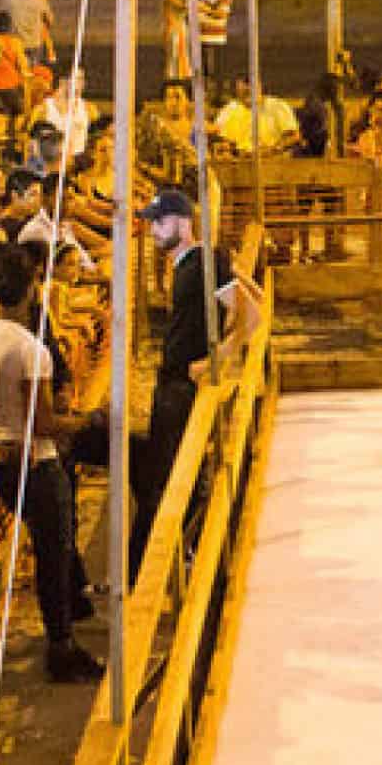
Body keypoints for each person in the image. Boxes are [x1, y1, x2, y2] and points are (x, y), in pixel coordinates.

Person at [0, 246, 101, 682]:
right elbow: (42, 423)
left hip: (1, 461)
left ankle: (70, 615)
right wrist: (82, 421)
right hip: (36, 462)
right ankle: (60, 645)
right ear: (29, 287)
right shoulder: (29, 349)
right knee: (52, 553)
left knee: (51, 548)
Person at [131, 191, 263, 573]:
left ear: (184, 223)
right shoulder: (193, 263)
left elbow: (251, 316)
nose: (154, 230)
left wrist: (214, 359)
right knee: (168, 468)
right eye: (152, 222)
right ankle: (175, 554)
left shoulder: (203, 262)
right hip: (172, 378)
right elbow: (253, 297)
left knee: (172, 473)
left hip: (181, 383)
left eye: (161, 221)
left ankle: (173, 559)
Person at [212, 78, 298, 157]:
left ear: (260, 87)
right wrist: (226, 148)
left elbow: (293, 136)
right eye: (245, 91)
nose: (248, 90)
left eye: (251, 89)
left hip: (274, 163)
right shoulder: (228, 110)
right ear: (237, 90)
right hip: (240, 164)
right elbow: (220, 139)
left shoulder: (277, 106)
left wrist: (272, 151)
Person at [0, 12, 33, 137]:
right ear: (9, 26)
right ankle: (14, 134)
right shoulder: (15, 43)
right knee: (20, 112)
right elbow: (23, 65)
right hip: (11, 87)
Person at [4, 0, 56, 69]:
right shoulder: (38, 1)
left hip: (15, 44)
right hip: (33, 44)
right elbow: (50, 22)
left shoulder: (7, 1)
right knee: (32, 73)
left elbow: (1, 21)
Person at [196, 0, 233, 88]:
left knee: (217, 68)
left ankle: (218, 91)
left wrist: (205, 10)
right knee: (203, 67)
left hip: (215, 36)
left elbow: (223, 13)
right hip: (202, 35)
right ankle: (204, 90)